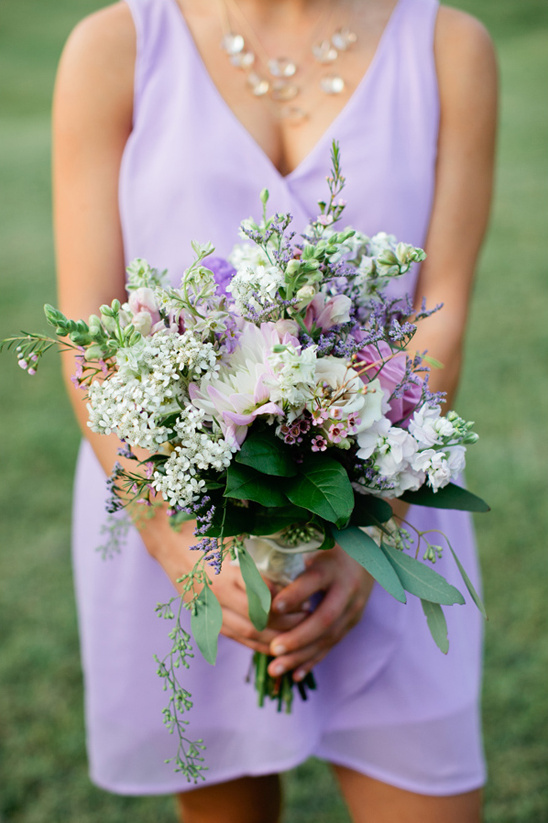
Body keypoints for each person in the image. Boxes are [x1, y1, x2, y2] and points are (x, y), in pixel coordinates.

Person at [52, 0, 497, 820]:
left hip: (385, 505)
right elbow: (86, 330)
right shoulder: (115, 47)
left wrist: (378, 532)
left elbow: (445, 311)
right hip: (177, 521)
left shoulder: (448, 47)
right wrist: (171, 536)